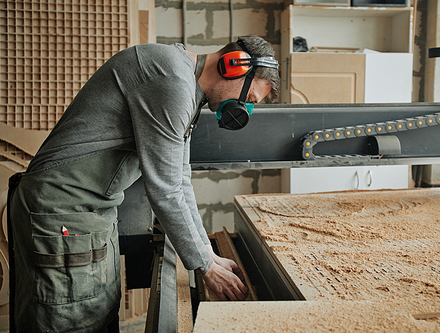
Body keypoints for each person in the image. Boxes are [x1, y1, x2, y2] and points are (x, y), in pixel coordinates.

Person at [7, 35, 279, 332]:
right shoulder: (172, 83)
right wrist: (205, 267)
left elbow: (180, 179)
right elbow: (165, 190)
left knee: (97, 313)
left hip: (87, 212)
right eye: (249, 99)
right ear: (234, 66)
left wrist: (206, 252)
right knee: (69, 321)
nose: (244, 109)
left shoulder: (183, 82)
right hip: (63, 210)